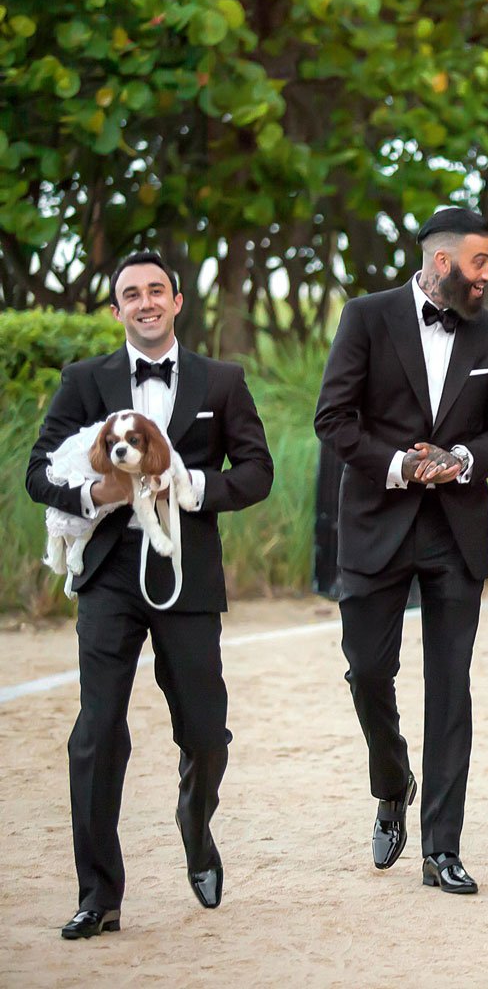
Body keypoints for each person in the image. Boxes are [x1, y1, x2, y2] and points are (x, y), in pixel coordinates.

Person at [25, 251, 274, 938]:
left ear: (176, 300)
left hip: (187, 571)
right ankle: (98, 894)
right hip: (107, 574)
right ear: (116, 311)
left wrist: (190, 486)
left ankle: (195, 819)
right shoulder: (85, 380)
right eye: (130, 294)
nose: (144, 302)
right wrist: (93, 491)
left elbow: (256, 472)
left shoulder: (222, 380)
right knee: (97, 731)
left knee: (205, 730)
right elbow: (37, 472)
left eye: (155, 290)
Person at [314, 207, 488, 894]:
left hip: (455, 531)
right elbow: (333, 420)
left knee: (450, 688)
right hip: (377, 518)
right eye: (480, 263)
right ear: (442, 264)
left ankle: (441, 849)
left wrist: (460, 459)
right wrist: (400, 466)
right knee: (367, 672)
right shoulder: (366, 318)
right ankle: (391, 776)